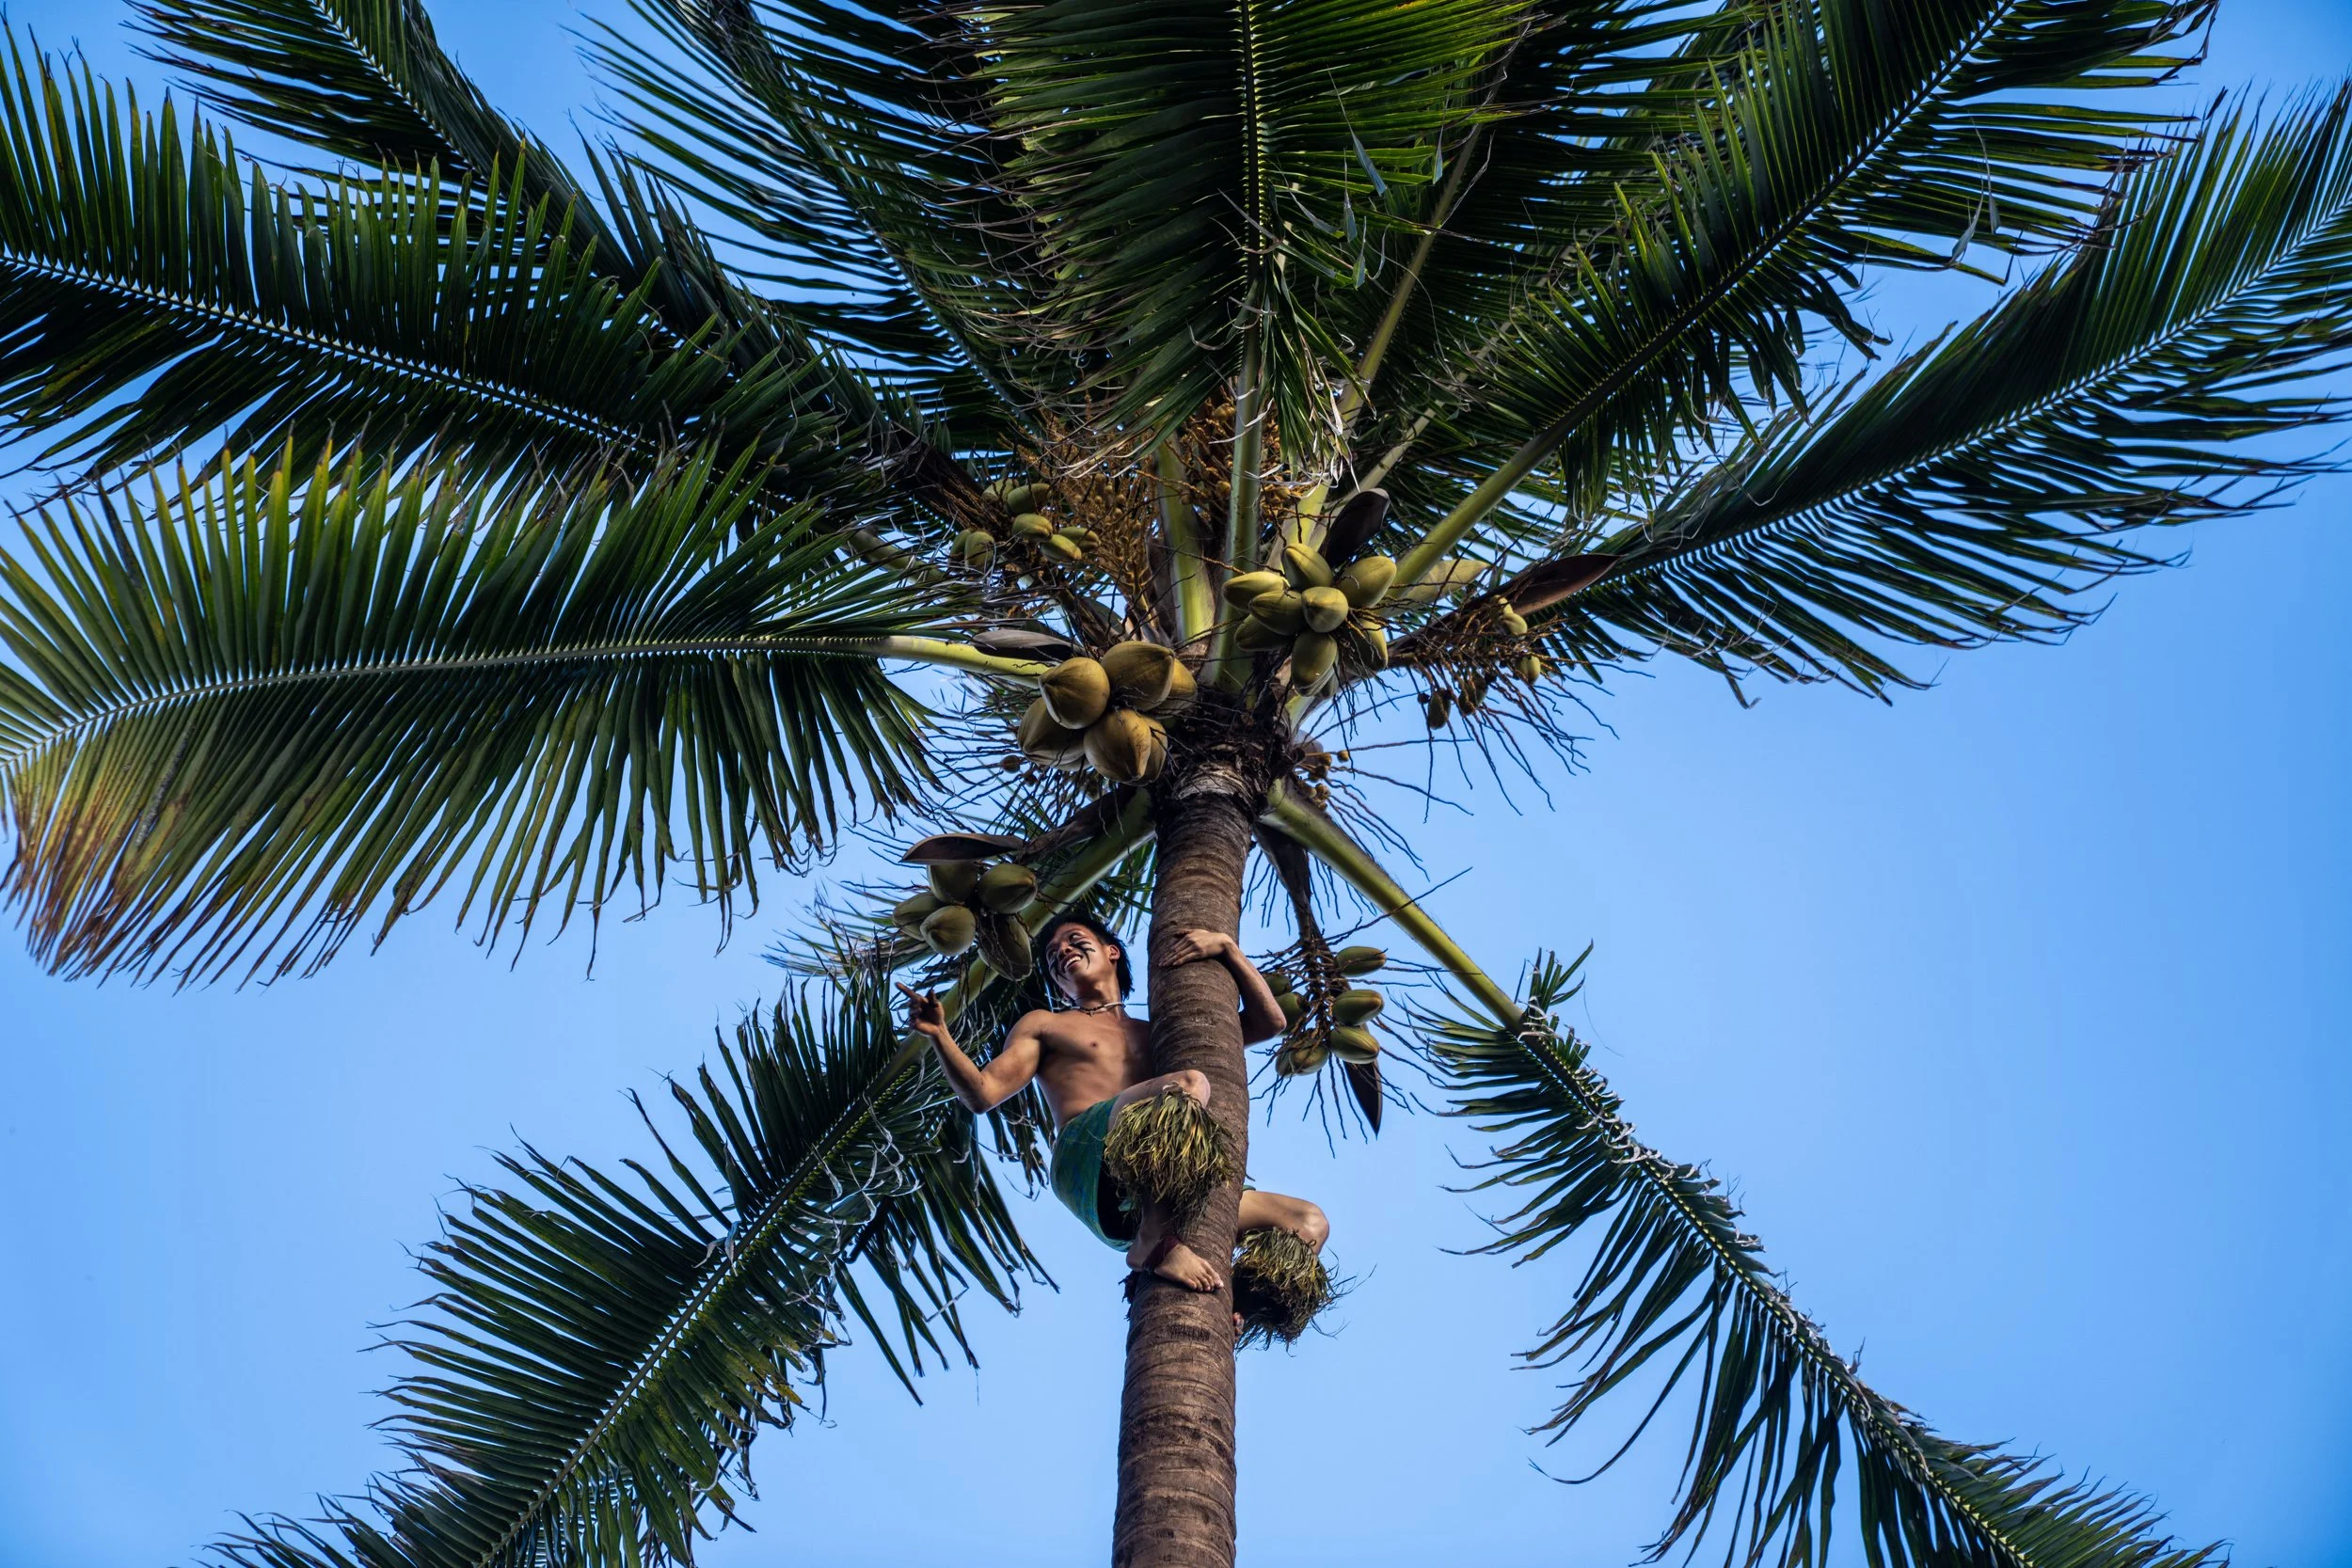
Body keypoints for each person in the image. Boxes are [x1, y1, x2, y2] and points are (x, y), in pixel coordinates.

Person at [900, 911, 1329, 1295]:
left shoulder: (1157, 1033)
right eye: (1052, 957)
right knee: (1187, 1084)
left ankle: (1240, 1307)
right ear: (1059, 986)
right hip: (1087, 1160)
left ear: (1112, 952)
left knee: (1308, 1222)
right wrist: (939, 1034)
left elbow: (1269, 1022)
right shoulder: (1046, 1024)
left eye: (1072, 940)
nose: (1061, 952)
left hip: (1147, 1186)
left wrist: (1228, 949)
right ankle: (1154, 1245)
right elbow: (981, 1093)